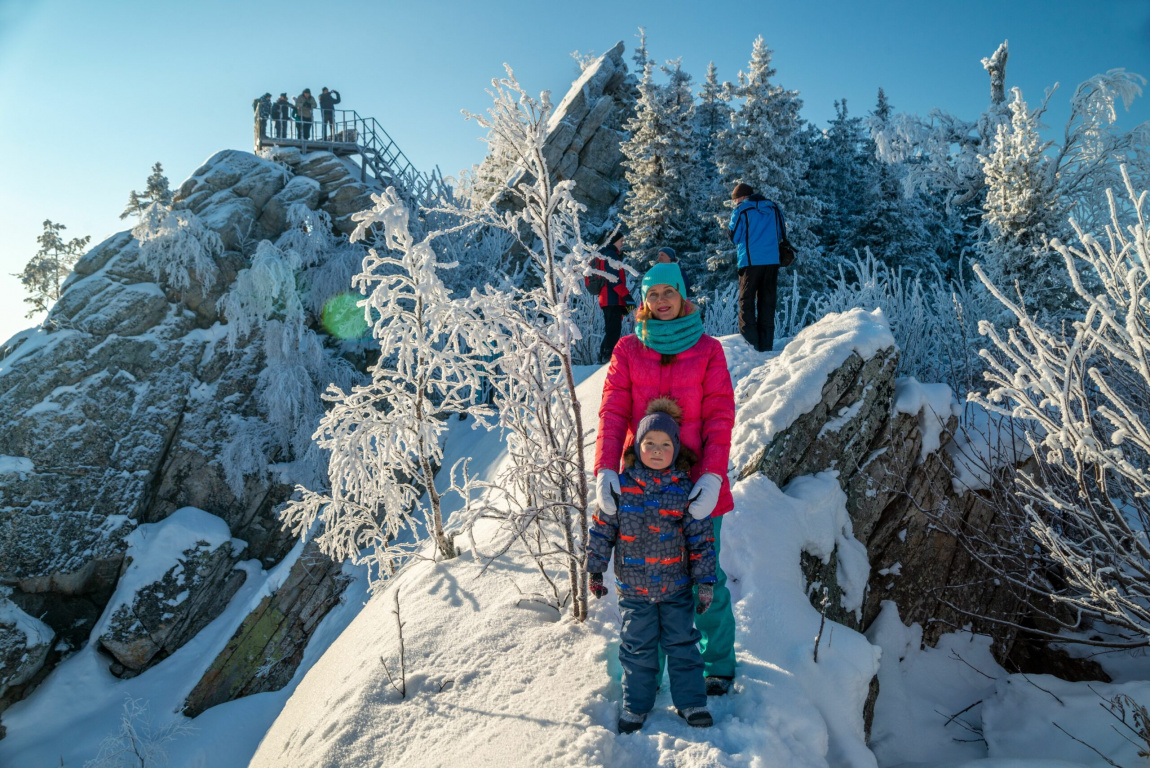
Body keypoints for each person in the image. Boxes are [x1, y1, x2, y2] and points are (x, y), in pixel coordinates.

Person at [596, 262, 738, 698]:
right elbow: (613, 412)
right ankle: (646, 671)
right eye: (652, 293)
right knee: (645, 582)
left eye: (668, 292)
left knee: (704, 576)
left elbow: (719, 416)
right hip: (642, 491)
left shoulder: (709, 350)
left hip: (695, 488)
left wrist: (712, 477)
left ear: (682, 295)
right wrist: (605, 468)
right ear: (643, 300)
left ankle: (717, 664)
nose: (660, 301)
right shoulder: (627, 350)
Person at [587, 398, 716, 733]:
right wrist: (595, 568)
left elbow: (700, 537)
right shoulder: (621, 487)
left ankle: (691, 702)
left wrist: (704, 581)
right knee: (637, 649)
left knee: (683, 645)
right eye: (649, 444)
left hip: (676, 588)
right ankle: (636, 707)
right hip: (634, 590)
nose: (657, 451)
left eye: (665, 445)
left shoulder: (685, 490)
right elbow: (602, 529)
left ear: (676, 450)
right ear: (636, 446)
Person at [728, 182, 785, 352]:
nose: (735, 203)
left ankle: (751, 344)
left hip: (750, 262)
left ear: (742, 197)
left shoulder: (742, 210)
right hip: (772, 261)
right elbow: (781, 232)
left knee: (746, 302)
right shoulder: (774, 208)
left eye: (735, 199)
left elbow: (734, 236)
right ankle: (767, 345)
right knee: (767, 302)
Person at [586, 230, 633, 364]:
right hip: (612, 299)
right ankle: (606, 360)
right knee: (613, 331)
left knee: (611, 330)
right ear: (614, 241)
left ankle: (604, 358)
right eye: (621, 241)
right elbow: (614, 280)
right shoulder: (611, 256)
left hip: (609, 299)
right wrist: (628, 298)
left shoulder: (607, 255)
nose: (622, 243)